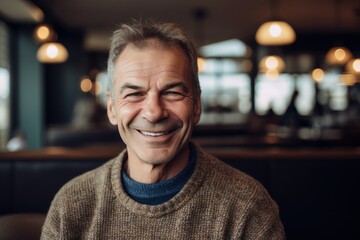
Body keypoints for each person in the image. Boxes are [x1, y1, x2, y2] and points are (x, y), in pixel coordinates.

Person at [41, 20, 285, 239]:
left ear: (197, 106)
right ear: (112, 108)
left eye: (172, 92)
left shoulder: (248, 207)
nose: (154, 112)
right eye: (134, 94)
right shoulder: (71, 205)